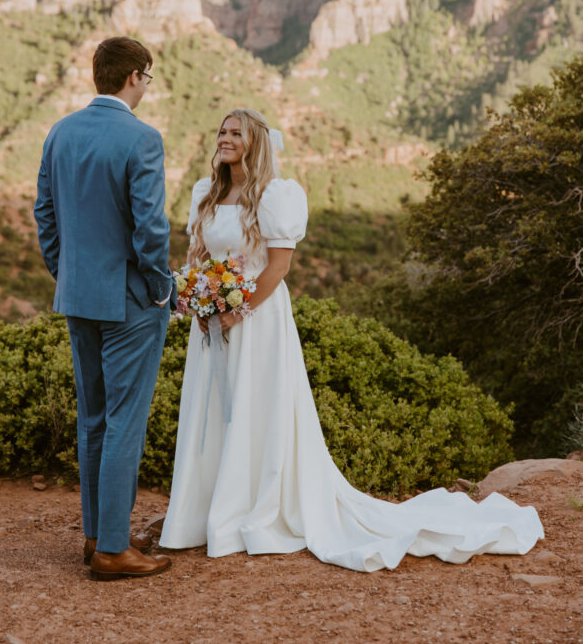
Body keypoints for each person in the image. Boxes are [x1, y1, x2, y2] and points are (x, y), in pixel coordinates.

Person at [160, 108, 544, 571]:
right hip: (210, 326)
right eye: (221, 130)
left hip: (256, 322)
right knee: (212, 412)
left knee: (254, 408)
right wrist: (200, 303)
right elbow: (195, 256)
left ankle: (249, 510)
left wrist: (235, 312)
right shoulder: (205, 193)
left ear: (255, 142)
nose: (225, 138)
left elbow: (278, 268)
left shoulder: (274, 195)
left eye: (235, 132)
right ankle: (201, 514)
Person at [35, 36, 175, 580]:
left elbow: (44, 212)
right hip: (130, 302)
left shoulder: (60, 132)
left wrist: (64, 272)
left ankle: (97, 534)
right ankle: (114, 550)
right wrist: (161, 287)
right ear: (135, 77)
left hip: (78, 296)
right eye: (149, 77)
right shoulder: (142, 139)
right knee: (125, 422)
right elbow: (151, 228)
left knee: (92, 417)